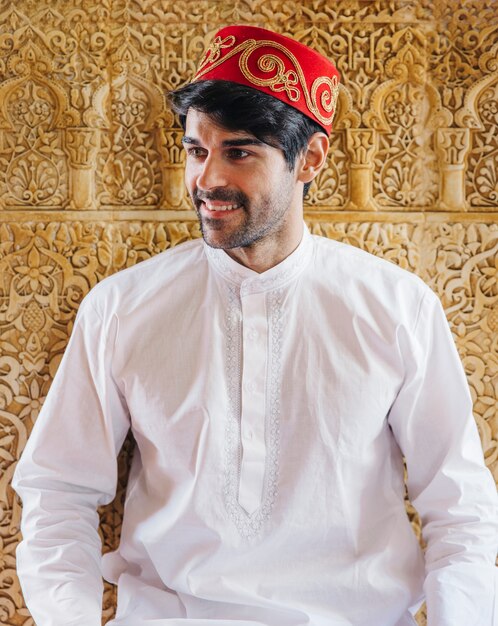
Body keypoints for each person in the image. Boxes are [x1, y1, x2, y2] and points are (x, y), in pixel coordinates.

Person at [13, 24, 497, 626]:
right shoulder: (122, 308)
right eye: (196, 150)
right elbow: (58, 493)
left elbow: (461, 511)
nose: (207, 180)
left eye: (238, 151)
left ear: (310, 159)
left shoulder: (397, 310)